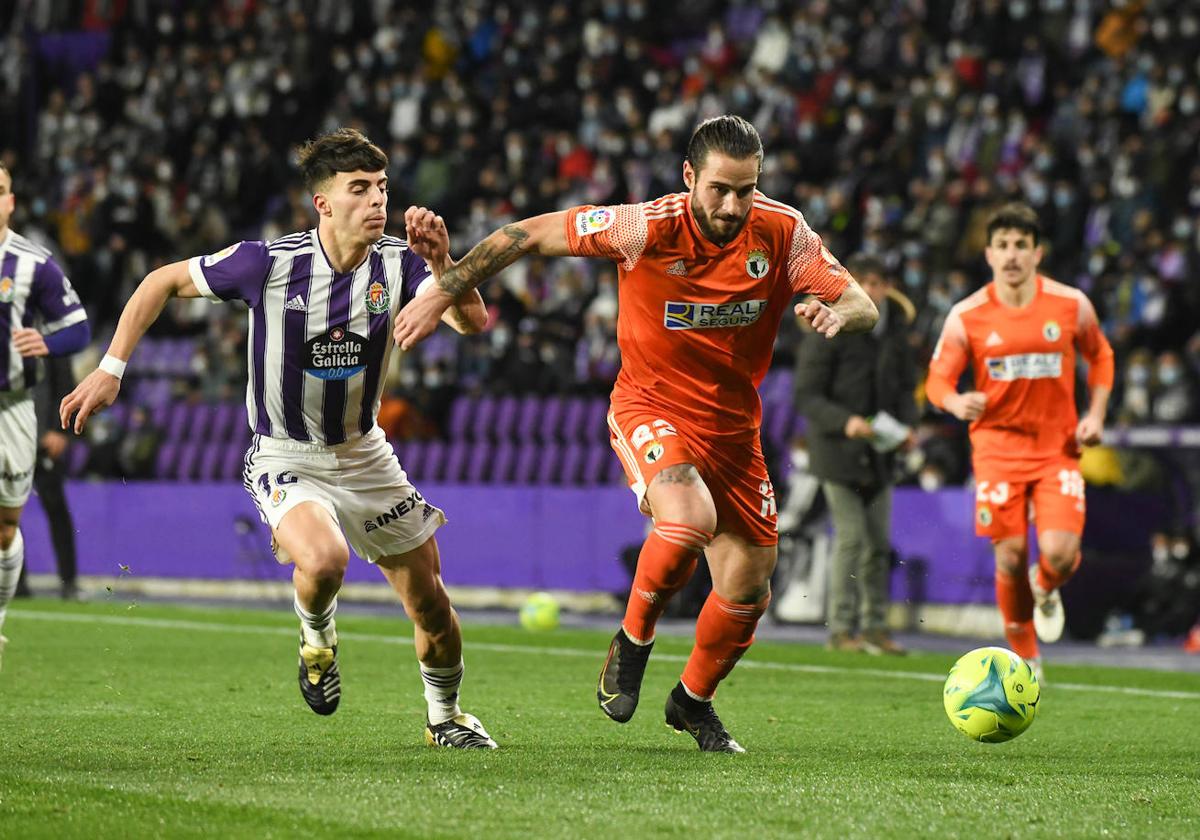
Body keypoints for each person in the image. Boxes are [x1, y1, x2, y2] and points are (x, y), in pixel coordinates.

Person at [395, 115, 878, 752]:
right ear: (689, 177)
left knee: (749, 586)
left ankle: (692, 702)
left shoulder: (783, 232)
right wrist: (444, 288)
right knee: (687, 520)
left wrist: (836, 313)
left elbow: (863, 305)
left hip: (735, 430)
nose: (734, 205)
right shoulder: (644, 226)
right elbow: (529, 234)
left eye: (747, 190)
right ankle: (632, 640)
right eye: (720, 190)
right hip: (652, 406)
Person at [60, 129, 499, 748]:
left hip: (365, 453)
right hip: (286, 452)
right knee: (324, 559)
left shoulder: (398, 262)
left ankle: (446, 717)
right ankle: (317, 638)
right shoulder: (266, 263)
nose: (378, 200)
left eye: (382, 187)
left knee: (431, 602)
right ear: (323, 203)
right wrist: (111, 369)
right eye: (359, 189)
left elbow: (472, 320)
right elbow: (161, 280)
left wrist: (442, 266)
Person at [926, 202, 1114, 682]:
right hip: (997, 450)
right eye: (1003, 246)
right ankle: (1026, 655)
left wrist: (1094, 415)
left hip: (1058, 450)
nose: (1012, 255)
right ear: (988, 254)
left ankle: (1046, 586)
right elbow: (938, 380)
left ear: (1037, 253)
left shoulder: (1071, 305)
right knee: (1009, 554)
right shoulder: (966, 315)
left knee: (1059, 554)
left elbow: (1102, 356)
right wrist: (954, 402)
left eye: (1021, 246)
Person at [794, 254, 918, 655]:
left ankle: (875, 627)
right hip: (838, 454)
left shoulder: (895, 336)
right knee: (851, 539)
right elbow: (807, 395)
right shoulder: (827, 328)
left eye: (880, 283)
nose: (875, 291)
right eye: (868, 283)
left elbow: (904, 391)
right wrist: (844, 422)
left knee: (878, 543)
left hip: (880, 453)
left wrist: (908, 427)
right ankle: (842, 629)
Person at [0, 161, 91, 669]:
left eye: (0, 191)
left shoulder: (33, 264)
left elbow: (77, 330)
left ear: (11, 201)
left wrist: (47, 341)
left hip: (13, 407)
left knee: (6, 529)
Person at [14, 353, 82, 600]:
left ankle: (69, 582)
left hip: (45, 441)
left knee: (55, 507)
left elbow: (65, 383)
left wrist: (59, 429)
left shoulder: (49, 337)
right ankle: (16, 584)